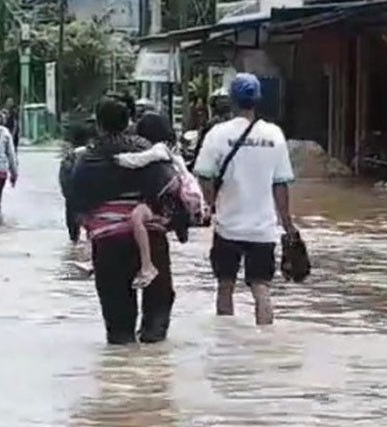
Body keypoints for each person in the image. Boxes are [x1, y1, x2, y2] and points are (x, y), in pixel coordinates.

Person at [68, 98, 179, 345]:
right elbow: (172, 189)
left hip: (108, 242)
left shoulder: (87, 159)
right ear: (129, 121)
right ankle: (154, 374)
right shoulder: (149, 151)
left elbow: (75, 200)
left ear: (98, 125)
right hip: (151, 238)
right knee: (157, 314)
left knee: (118, 326)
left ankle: (121, 376)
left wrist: (79, 229)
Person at [193, 73, 297, 327]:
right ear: (258, 100)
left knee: (225, 285)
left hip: (227, 226)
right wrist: (287, 224)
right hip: (263, 228)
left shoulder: (217, 134)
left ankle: (226, 345)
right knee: (261, 288)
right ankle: (264, 342)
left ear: (231, 100)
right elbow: (280, 185)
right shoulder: (274, 135)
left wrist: (210, 206)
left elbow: (204, 176)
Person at [115, 113, 206, 289]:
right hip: (179, 200)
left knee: (136, 218)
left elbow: (138, 161)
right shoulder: (172, 151)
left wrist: (117, 159)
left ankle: (147, 265)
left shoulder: (158, 150)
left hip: (169, 202)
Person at [59, 120, 94, 243]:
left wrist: (69, 197)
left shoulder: (69, 158)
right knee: (93, 235)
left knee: (73, 239)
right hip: (91, 200)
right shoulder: (93, 155)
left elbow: (63, 181)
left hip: (73, 201)